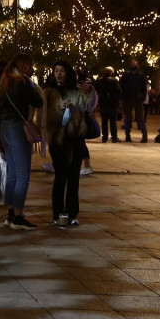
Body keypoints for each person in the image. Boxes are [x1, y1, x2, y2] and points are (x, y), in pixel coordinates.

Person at [43, 60, 97, 228]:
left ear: (68, 72)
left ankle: (72, 214)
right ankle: (58, 213)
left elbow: (89, 107)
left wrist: (89, 92)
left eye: (62, 70)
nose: (59, 73)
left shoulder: (77, 89)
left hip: (75, 138)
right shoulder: (48, 92)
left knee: (74, 177)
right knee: (60, 177)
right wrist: (58, 108)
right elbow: (44, 117)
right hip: (58, 139)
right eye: (56, 70)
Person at [0, 53, 44, 230]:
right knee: (23, 175)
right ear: (24, 66)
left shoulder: (3, 83)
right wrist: (32, 85)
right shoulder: (22, 82)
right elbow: (37, 101)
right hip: (18, 129)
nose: (32, 69)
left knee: (12, 174)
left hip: (5, 130)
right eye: (31, 65)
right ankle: (18, 216)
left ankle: (10, 214)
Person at [119, 59, 148, 142]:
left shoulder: (141, 75)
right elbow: (121, 86)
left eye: (135, 64)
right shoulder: (126, 75)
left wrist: (142, 97)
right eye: (132, 64)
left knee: (140, 118)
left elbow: (144, 88)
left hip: (137, 99)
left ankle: (144, 136)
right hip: (128, 98)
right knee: (128, 117)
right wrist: (122, 97)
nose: (133, 66)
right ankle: (127, 136)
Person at [94, 66, 122, 142]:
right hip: (112, 104)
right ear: (112, 73)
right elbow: (119, 91)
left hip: (104, 103)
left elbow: (96, 90)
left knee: (104, 122)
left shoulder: (100, 81)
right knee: (113, 122)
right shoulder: (114, 81)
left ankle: (105, 137)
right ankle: (114, 137)